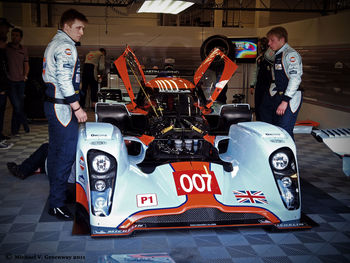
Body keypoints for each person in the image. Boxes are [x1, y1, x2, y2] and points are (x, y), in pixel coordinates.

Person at [42, 9, 88, 220]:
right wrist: (77, 108)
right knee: (66, 154)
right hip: (62, 107)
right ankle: (57, 203)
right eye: (78, 28)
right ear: (67, 26)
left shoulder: (55, 42)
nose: (81, 32)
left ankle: (56, 196)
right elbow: (63, 79)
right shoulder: (66, 46)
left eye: (83, 28)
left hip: (54, 105)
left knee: (55, 151)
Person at [259, 26, 303, 140]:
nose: (269, 43)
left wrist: (285, 100)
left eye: (272, 40)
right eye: (269, 40)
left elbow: (295, 79)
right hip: (280, 94)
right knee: (273, 125)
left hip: (291, 96)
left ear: (282, 40)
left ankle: (289, 157)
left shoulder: (290, 54)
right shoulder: (278, 54)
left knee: (285, 129)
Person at [6, 27, 30, 136]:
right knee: (16, 105)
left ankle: (14, 130)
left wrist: (25, 75)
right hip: (10, 81)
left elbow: (26, 64)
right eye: (13, 35)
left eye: (16, 35)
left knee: (19, 105)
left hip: (21, 82)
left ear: (20, 38)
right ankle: (25, 124)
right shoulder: (6, 48)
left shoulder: (23, 49)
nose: (14, 37)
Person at [249, 37, 274, 121]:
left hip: (270, 85)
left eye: (260, 46)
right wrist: (252, 85)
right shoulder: (259, 58)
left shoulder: (271, 55)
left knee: (265, 108)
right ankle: (259, 122)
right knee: (258, 107)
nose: (258, 48)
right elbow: (255, 72)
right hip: (260, 85)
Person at [0, 18, 14, 149]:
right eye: (6, 28)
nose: (7, 31)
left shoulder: (4, 46)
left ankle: (1, 136)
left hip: (4, 84)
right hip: (1, 86)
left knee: (5, 110)